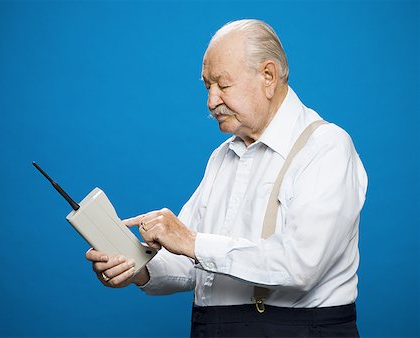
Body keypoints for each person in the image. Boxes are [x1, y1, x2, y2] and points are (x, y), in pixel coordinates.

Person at [86, 19, 368, 337]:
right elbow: (190, 263)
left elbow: (301, 266)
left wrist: (190, 241)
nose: (211, 101)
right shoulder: (222, 156)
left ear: (268, 77)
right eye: (207, 86)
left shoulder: (326, 147)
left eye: (223, 84)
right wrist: (136, 269)